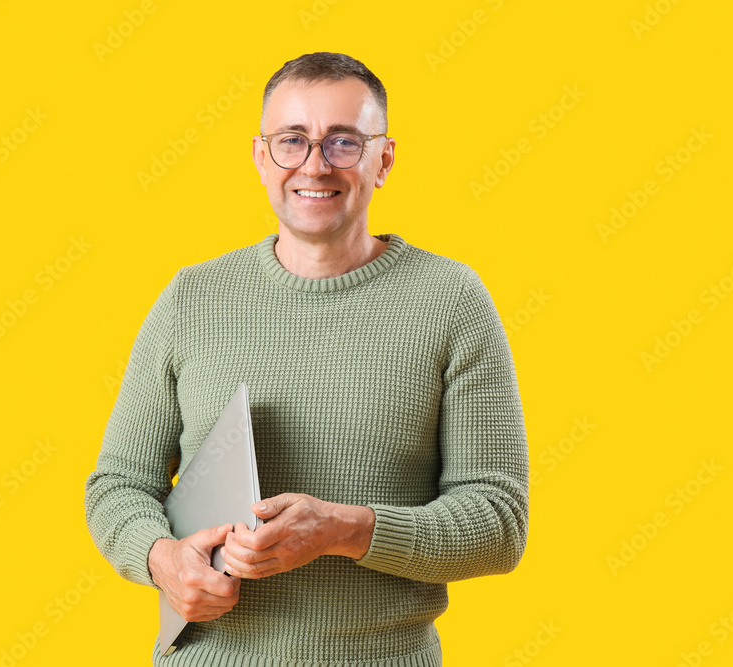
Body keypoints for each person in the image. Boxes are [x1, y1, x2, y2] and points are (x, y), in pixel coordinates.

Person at [84, 51, 529, 666]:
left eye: (344, 142)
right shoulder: (192, 298)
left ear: (384, 160)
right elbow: (117, 487)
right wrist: (162, 559)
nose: (315, 164)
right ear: (261, 158)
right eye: (292, 140)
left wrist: (343, 531)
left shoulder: (451, 302)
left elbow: (498, 524)